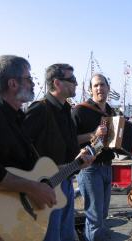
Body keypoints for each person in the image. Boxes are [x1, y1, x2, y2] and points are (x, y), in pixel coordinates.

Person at [0, 55, 57, 239]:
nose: (33, 83)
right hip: (0, 219)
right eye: (29, 78)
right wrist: (32, 188)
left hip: (19, 216)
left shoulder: (17, 118)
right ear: (13, 84)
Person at [23, 63, 95, 241]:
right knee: (51, 236)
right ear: (57, 83)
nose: (76, 83)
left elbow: (68, 147)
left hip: (67, 180)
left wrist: (80, 158)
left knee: (65, 235)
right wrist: (37, 181)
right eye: (72, 80)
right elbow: (20, 149)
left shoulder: (66, 110)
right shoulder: (39, 109)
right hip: (46, 186)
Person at [71, 73, 116, 241]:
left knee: (103, 213)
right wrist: (93, 134)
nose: (99, 88)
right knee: (95, 217)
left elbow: (113, 139)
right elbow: (70, 140)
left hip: (107, 165)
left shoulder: (110, 111)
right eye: (95, 85)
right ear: (90, 90)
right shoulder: (80, 110)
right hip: (89, 168)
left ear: (108, 88)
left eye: (102, 85)